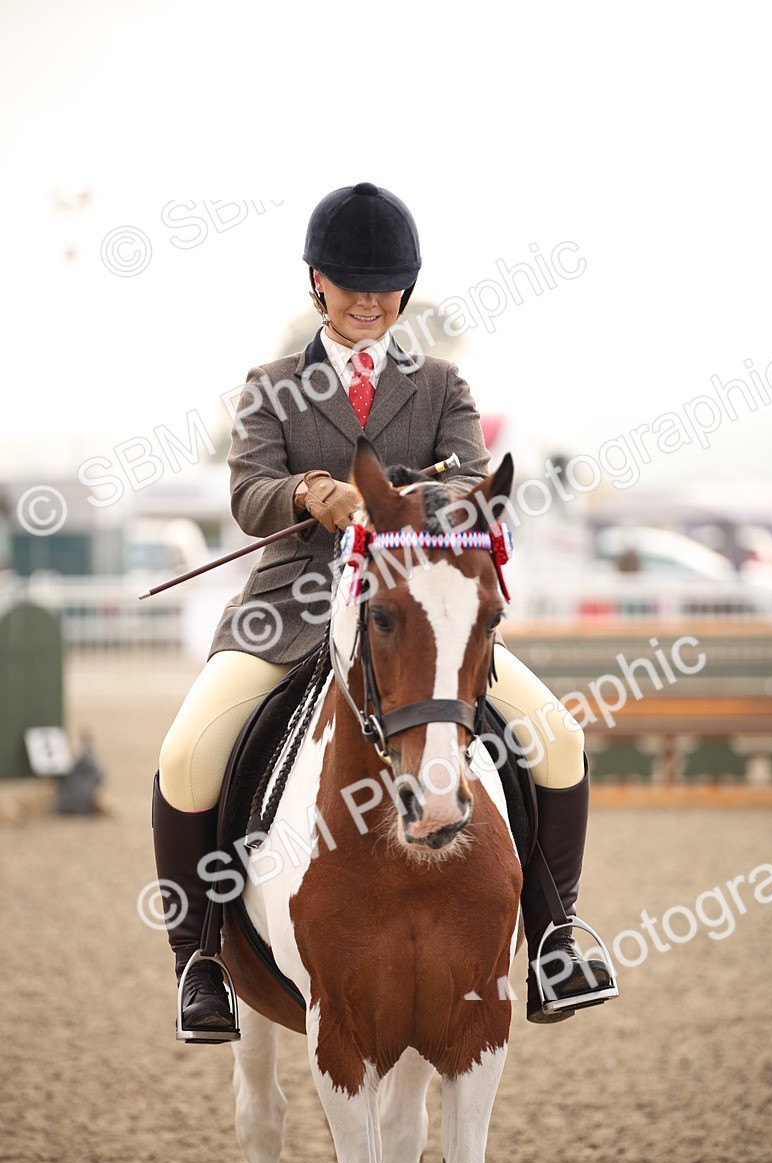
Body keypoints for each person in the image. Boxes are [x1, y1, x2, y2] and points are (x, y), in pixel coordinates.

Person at [152, 181, 616, 1041]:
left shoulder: (442, 385)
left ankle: (556, 936)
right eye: (349, 282)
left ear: (405, 288)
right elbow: (250, 494)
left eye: (384, 284)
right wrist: (311, 491)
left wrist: (403, 500)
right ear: (316, 283)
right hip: (288, 610)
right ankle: (201, 959)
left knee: (555, 737)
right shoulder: (271, 386)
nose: (368, 300)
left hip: (421, 614)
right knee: (187, 754)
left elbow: (472, 486)